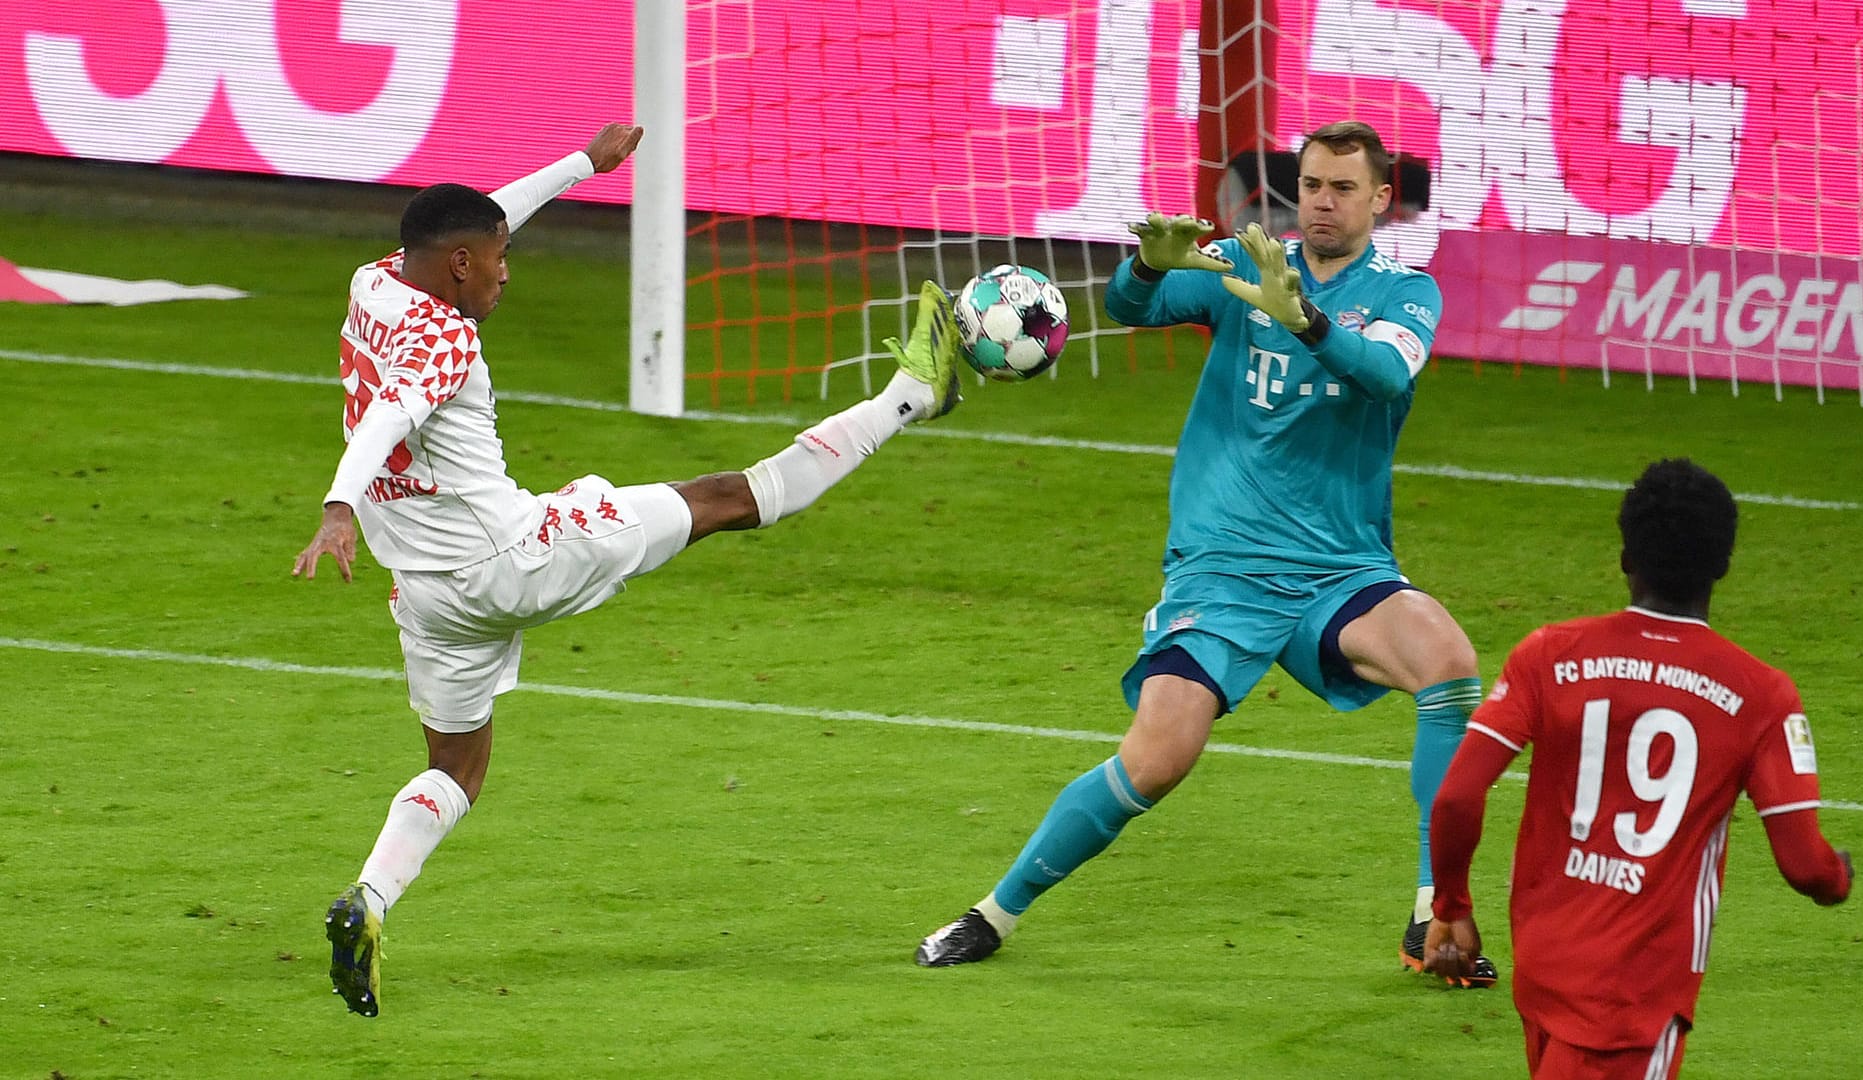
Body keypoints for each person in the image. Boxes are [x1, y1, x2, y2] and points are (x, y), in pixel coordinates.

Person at [293, 122, 963, 1017]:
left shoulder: (374, 282)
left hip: (426, 594)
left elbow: (492, 219)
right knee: (729, 498)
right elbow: (385, 423)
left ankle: (368, 899)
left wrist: (583, 164)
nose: (505, 273)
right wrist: (337, 505)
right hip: (522, 556)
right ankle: (912, 395)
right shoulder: (447, 338)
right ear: (457, 266)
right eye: (496, 264)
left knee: (457, 768)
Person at [915, 120, 1495, 984]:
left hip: (1340, 571)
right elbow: (1131, 308)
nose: (1322, 202)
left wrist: (1302, 319)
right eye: (1311, 185)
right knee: (1156, 761)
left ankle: (1432, 912)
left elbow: (1384, 374)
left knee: (1447, 659)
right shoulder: (1249, 265)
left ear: (1380, 199)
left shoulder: (1409, 292)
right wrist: (1151, 261)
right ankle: (992, 913)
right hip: (1222, 566)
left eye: (1342, 188)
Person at [1423, 458, 1853, 1078]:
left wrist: (1452, 905)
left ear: (1627, 559)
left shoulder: (1548, 654)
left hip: (1544, 971)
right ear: (1722, 568)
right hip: (1634, 999)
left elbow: (1457, 796)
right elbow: (1804, 866)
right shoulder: (1761, 693)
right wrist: (1837, 877)